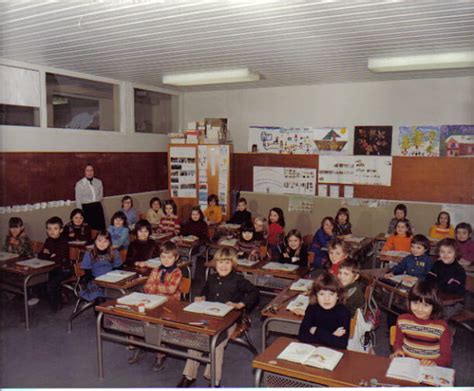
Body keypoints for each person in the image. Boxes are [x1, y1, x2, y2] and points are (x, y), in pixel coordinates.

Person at [177, 248, 258, 387]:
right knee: (196, 338)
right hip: (209, 316)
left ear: (233, 264)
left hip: (230, 320)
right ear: (215, 263)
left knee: (217, 344)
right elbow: (205, 291)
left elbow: (254, 292)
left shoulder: (238, 279)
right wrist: (202, 297)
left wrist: (240, 304)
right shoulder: (212, 278)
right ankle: (189, 375)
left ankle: (213, 379)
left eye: (227, 262)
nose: (223, 265)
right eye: (220, 262)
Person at [142, 241, 183, 371]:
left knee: (160, 323)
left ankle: (160, 353)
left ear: (176, 258)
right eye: (163, 257)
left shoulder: (177, 272)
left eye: (170, 257)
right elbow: (146, 287)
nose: (166, 260)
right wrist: (158, 289)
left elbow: (171, 290)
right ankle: (141, 342)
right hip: (154, 301)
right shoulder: (156, 270)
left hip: (170, 305)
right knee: (140, 315)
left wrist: (155, 287)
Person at [392, 281, 451, 367]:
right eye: (415, 303)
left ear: (434, 306)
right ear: (409, 301)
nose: (419, 309)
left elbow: (447, 357)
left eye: (426, 305)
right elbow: (398, 342)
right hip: (408, 365)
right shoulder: (402, 320)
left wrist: (434, 362)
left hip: (430, 368)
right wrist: (398, 350)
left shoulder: (441, 327)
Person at [297, 272, 351, 349]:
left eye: (331, 294)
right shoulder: (312, 308)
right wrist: (331, 336)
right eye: (322, 294)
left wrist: (316, 330)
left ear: (338, 296)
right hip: (312, 349)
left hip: (334, 352)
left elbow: (341, 344)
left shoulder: (343, 312)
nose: (326, 299)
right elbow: (302, 336)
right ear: (316, 295)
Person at [426, 238, 466, 319]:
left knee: (438, 314)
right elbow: (429, 280)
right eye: (442, 252)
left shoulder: (459, 270)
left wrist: (436, 286)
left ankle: (443, 329)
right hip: (437, 298)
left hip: (454, 303)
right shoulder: (437, 264)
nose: (445, 255)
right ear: (438, 252)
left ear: (455, 253)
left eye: (449, 252)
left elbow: (451, 291)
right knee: (421, 308)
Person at [38, 216, 71, 311]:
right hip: (52, 268)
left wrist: (49, 255)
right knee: (40, 281)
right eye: (49, 229)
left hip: (64, 269)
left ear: (61, 230)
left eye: (55, 229)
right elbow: (41, 255)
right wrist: (50, 255)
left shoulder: (63, 241)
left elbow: (59, 258)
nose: (52, 231)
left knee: (51, 283)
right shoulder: (48, 241)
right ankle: (58, 295)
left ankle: (57, 305)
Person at [79, 231, 122, 302]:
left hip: (111, 280)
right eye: (99, 241)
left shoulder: (114, 253)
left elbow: (118, 269)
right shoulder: (89, 253)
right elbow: (87, 273)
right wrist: (96, 282)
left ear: (109, 243)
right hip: (95, 280)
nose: (102, 244)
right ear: (95, 241)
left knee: (121, 294)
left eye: (105, 241)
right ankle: (99, 312)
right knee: (98, 296)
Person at [75, 164, 106, 230]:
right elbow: (78, 200)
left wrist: (96, 202)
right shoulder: (79, 184)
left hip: (97, 207)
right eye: (87, 170)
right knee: (89, 229)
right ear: (84, 172)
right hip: (86, 209)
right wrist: (80, 214)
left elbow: (101, 196)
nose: (90, 172)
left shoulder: (99, 182)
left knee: (100, 228)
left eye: (91, 170)